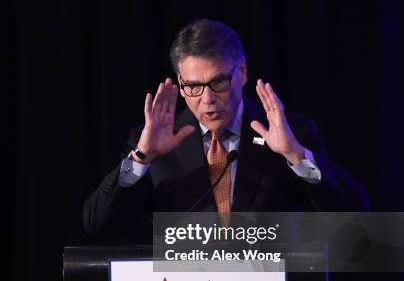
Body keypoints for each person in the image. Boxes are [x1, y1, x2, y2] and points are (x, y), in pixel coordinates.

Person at [83, 19, 367, 241]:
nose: (207, 100)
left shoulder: (291, 134)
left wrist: (296, 156)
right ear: (180, 84)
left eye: (219, 82)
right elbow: (97, 226)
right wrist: (140, 159)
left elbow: (356, 217)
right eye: (193, 86)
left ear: (241, 73)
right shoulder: (152, 144)